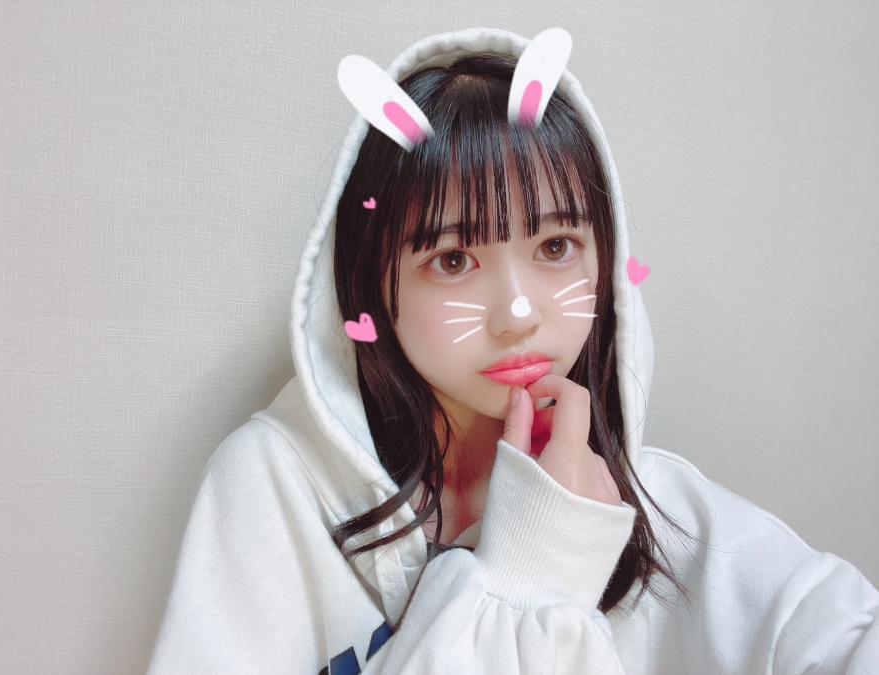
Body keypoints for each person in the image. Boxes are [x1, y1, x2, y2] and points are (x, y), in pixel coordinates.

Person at [148, 26, 879, 674]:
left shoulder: (656, 501)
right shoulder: (278, 488)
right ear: (371, 283)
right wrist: (535, 565)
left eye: (556, 246)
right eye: (453, 260)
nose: (517, 314)